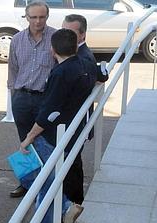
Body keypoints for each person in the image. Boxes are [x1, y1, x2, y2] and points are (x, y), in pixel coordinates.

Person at [19, 29, 97, 223]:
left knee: (43, 185)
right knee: (48, 183)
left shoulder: (61, 73)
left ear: (53, 50)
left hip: (54, 137)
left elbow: (49, 113)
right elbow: (102, 74)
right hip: (73, 133)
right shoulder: (85, 64)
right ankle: (65, 207)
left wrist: (29, 138)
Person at [7, 1, 56, 198]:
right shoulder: (17, 40)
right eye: (33, 17)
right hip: (22, 98)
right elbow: (12, 71)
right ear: (26, 17)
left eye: (41, 17)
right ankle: (27, 184)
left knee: (46, 142)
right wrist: (14, 99)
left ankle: (49, 186)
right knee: (24, 143)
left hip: (45, 99)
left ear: (47, 17)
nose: (38, 21)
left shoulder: (55, 38)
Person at [61, 14, 109, 205]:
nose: (65, 35)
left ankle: (74, 203)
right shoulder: (76, 53)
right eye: (63, 30)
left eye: (70, 32)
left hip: (74, 121)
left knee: (72, 163)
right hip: (72, 120)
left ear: (82, 35)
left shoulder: (83, 57)